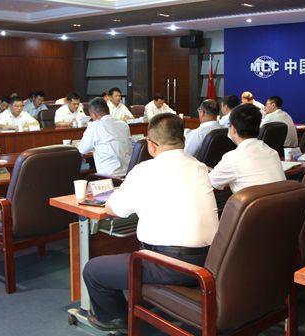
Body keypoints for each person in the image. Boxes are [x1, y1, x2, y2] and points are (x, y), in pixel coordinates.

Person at [82, 113, 219, 333]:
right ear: (183, 140)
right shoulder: (200, 167)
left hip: (171, 265)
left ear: (151, 145)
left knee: (93, 270)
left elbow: (113, 209)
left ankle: (119, 320)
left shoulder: (144, 170)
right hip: (210, 259)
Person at [208, 104, 285, 193]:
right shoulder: (272, 152)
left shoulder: (232, 158)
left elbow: (210, 182)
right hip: (280, 201)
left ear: (233, 129)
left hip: (252, 202)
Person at [77, 98, 133, 177]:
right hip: (129, 173)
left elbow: (82, 150)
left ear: (93, 114)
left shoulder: (95, 126)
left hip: (109, 177)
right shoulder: (123, 124)